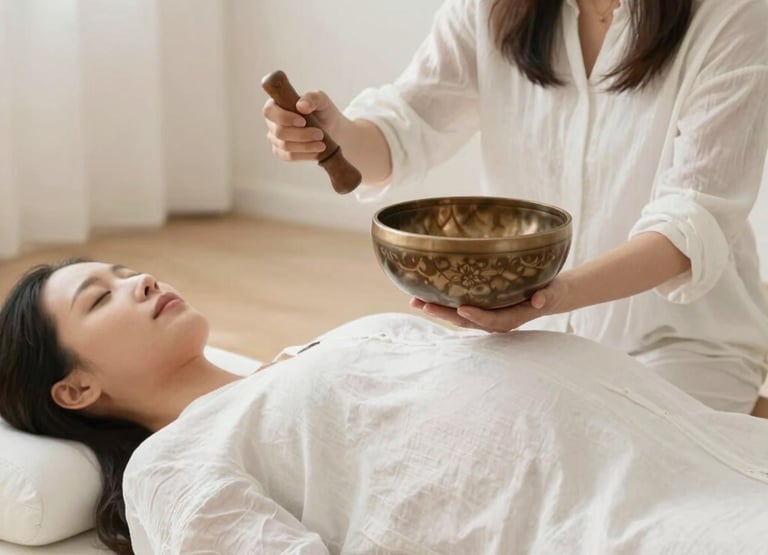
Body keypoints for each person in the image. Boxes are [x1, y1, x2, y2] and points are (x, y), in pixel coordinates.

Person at [1, 260, 768, 555]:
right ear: (75, 388)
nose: (138, 281)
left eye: (128, 270)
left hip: (701, 454)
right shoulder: (173, 466)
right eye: (101, 297)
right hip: (606, 523)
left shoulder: (305, 356)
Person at [263, 0, 768, 414]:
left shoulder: (734, 14)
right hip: (526, 340)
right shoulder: (492, 7)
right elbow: (407, 125)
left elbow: (691, 221)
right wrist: (335, 134)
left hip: (677, 345)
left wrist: (551, 295)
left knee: (620, 492)